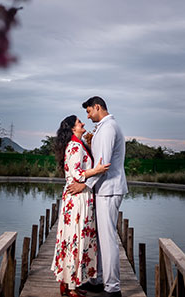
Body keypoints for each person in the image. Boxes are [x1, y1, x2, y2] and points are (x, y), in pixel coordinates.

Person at [68, 96, 128, 297]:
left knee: (108, 238)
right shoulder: (104, 127)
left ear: (97, 107)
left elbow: (102, 165)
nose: (87, 115)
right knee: (101, 238)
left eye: (88, 111)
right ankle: (99, 280)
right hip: (103, 189)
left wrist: (83, 184)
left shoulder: (109, 127)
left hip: (109, 189)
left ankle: (113, 288)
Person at [51, 115, 110, 297]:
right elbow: (77, 173)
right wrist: (97, 170)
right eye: (79, 122)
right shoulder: (75, 146)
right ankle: (70, 287)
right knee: (75, 238)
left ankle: (69, 283)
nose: (83, 123)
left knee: (72, 238)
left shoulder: (77, 144)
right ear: (72, 129)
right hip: (77, 199)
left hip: (77, 196)